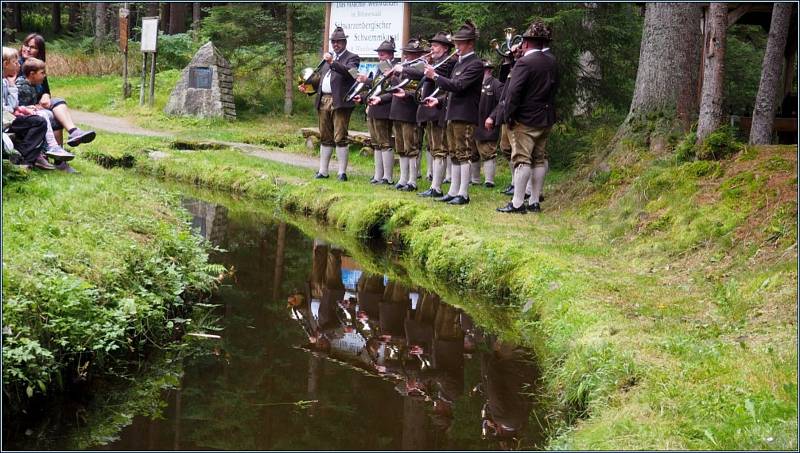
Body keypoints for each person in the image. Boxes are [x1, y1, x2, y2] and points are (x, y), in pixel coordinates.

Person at [496, 20, 557, 214]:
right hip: (546, 117)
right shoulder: (552, 61)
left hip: (526, 119)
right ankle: (534, 201)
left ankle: (516, 203)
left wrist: (509, 116)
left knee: (521, 160)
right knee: (539, 159)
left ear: (527, 42)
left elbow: (514, 93)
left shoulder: (524, 62)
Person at [423, 20, 484, 205]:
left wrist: (435, 76)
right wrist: (438, 100)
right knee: (454, 153)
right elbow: (451, 91)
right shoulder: (458, 63)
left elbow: (459, 86)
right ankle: (453, 190)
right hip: (452, 112)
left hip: (464, 115)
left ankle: (463, 193)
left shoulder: (476, 64)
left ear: (470, 44)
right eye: (456, 42)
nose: (456, 46)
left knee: (464, 153)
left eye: (460, 43)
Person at [300, 27, 360, 181]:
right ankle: (323, 171)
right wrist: (307, 89)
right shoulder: (327, 61)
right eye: (333, 42)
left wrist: (333, 62)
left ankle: (342, 172)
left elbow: (351, 74)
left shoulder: (352, 58)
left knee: (340, 136)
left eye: (339, 42)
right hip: (323, 100)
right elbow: (320, 82)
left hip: (340, 102)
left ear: (344, 42)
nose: (335, 44)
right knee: (325, 136)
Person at [18, 34, 95, 149]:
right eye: (26, 45)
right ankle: (57, 154)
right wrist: (32, 106)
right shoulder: (15, 65)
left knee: (59, 103)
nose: (27, 49)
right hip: (25, 108)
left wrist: (45, 95)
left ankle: (72, 134)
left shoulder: (38, 67)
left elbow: (46, 90)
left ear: (39, 51)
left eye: (32, 47)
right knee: (52, 116)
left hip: (38, 104)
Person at [402, 31, 456, 198]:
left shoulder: (447, 63)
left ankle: (437, 188)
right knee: (433, 148)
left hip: (438, 110)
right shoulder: (437, 62)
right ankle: (434, 185)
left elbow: (423, 74)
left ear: (445, 48)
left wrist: (404, 67)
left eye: (435, 46)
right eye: (431, 46)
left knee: (439, 149)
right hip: (428, 110)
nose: (431, 49)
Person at [14, 57, 74, 163]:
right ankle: (51, 147)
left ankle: (56, 151)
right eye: (42, 73)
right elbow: (19, 106)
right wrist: (34, 108)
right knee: (44, 115)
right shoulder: (23, 88)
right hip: (20, 119)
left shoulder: (33, 86)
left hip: (28, 115)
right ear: (32, 74)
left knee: (50, 114)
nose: (44, 75)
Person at [388, 38, 427, 191]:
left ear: (417, 55)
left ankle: (412, 180)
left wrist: (406, 94)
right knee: (401, 147)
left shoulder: (420, 68)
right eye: (406, 53)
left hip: (410, 112)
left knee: (411, 147)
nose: (407, 57)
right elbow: (395, 87)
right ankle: (403, 178)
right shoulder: (403, 67)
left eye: (411, 54)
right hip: (397, 111)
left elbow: (419, 92)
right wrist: (392, 78)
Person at [355, 37, 396, 184]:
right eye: (379, 54)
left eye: (383, 54)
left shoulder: (394, 69)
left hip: (384, 108)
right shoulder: (380, 68)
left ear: (391, 55)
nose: (380, 57)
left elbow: (391, 90)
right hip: (373, 108)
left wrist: (379, 98)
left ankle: (388, 177)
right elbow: (375, 89)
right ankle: (378, 175)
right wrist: (362, 97)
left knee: (385, 142)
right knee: (376, 143)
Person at [2, 60, 52, 170]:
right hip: (7, 119)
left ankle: (25, 157)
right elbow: (9, 107)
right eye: (15, 62)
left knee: (41, 120)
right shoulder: (20, 85)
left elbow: (13, 105)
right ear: (5, 64)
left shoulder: (7, 82)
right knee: (40, 121)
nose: (19, 65)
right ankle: (25, 157)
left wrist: (11, 85)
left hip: (10, 117)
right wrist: (21, 108)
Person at [473, 60, 503, 188]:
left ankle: (489, 180)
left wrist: (492, 117)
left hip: (488, 124)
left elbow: (502, 103)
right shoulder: (475, 84)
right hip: (474, 123)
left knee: (488, 151)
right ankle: (475, 179)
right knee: (472, 152)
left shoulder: (496, 84)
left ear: (489, 70)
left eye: (485, 69)